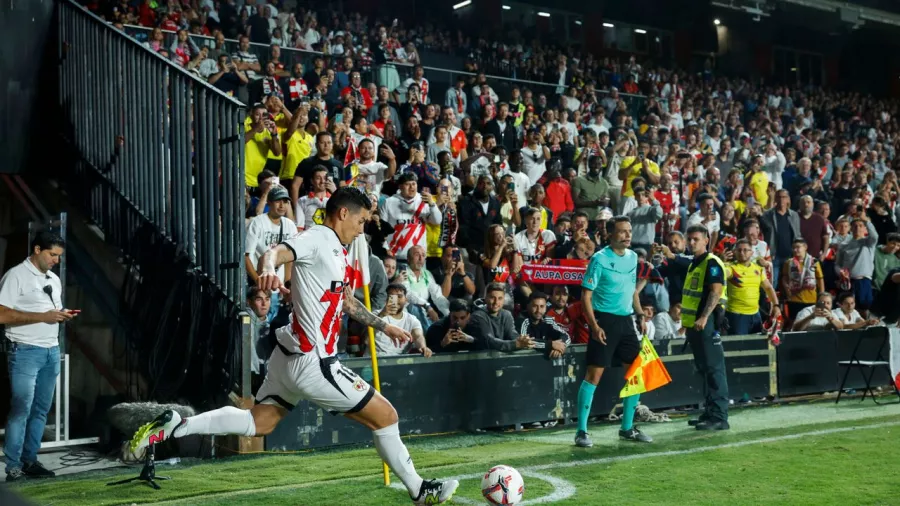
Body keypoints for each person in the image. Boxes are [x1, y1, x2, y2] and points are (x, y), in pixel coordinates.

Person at [129, 188, 459, 505]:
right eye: (361, 221)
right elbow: (275, 252)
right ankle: (419, 492)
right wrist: (270, 269)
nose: (362, 230)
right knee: (386, 416)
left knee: (258, 422)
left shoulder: (338, 250)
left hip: (287, 357)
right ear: (343, 213)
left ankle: (177, 425)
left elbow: (344, 301)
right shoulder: (317, 237)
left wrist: (383, 324)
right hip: (314, 362)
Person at [0, 232, 77, 482]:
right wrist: (42, 317)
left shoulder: (53, 279)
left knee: (41, 410)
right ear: (36, 249)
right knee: (21, 408)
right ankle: (13, 466)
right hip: (24, 351)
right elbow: (1, 314)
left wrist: (61, 314)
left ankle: (30, 460)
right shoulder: (15, 275)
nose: (56, 260)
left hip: (50, 351)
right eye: (52, 254)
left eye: (59, 256)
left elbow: (48, 310)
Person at [575, 216, 652, 448]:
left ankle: (627, 428)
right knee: (593, 376)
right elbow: (585, 296)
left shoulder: (633, 258)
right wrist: (594, 326)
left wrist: (640, 315)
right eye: (622, 231)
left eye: (629, 231)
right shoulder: (599, 259)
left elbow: (632, 292)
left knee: (635, 375)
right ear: (610, 234)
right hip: (604, 322)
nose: (627, 235)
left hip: (626, 322)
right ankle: (581, 431)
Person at [681, 225, 730, 431]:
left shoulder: (711, 263)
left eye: (696, 239)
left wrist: (703, 317)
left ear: (706, 240)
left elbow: (715, 292)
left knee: (714, 368)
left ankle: (720, 416)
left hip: (706, 323)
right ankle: (710, 412)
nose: (692, 242)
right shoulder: (695, 263)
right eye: (689, 239)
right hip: (696, 325)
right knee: (704, 368)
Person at [724, 239, 781, 335]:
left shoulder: (758, 269)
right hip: (736, 316)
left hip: (755, 314)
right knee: (738, 347)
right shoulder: (730, 268)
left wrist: (776, 305)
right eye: (739, 250)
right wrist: (721, 261)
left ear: (752, 253)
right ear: (734, 252)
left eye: (745, 250)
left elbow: (768, 288)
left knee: (756, 345)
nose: (742, 253)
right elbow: (719, 273)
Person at [369, 284, 432, 357]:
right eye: (392, 297)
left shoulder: (412, 320)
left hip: (398, 362)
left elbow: (418, 336)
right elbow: (366, 339)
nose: (396, 300)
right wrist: (382, 314)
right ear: (386, 299)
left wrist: (423, 346)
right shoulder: (375, 315)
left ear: (406, 299)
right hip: (374, 360)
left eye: (399, 296)